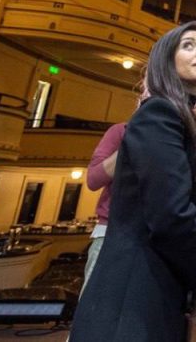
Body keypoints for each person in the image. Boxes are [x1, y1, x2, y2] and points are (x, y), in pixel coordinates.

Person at [71, 21, 196, 341]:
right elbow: (170, 212)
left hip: (160, 287)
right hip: (134, 295)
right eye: (188, 45)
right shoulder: (158, 113)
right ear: (165, 62)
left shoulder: (188, 123)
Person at [81, 119, 126, 292]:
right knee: (94, 308)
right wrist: (135, 140)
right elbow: (93, 180)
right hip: (109, 233)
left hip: (152, 238)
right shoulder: (121, 131)